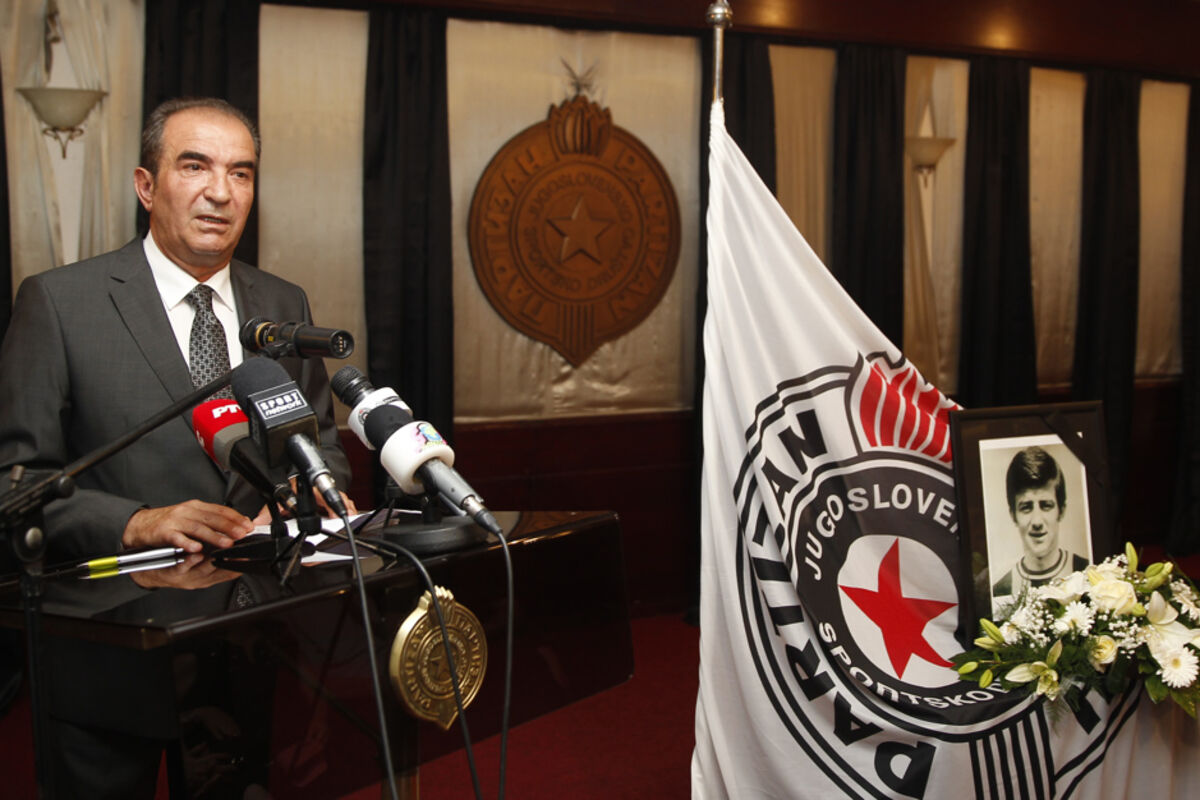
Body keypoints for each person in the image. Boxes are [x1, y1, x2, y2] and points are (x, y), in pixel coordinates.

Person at [0, 97, 353, 798]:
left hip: (251, 644)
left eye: (241, 173)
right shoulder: (60, 304)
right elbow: (15, 482)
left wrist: (311, 494)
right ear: (145, 185)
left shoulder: (283, 306)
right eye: (195, 167)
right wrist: (136, 522)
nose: (221, 192)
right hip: (109, 650)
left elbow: (324, 449)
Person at [991, 446, 1088, 604]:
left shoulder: (1088, 573)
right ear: (1013, 515)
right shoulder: (1000, 591)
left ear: (1061, 510)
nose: (1037, 521)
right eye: (1026, 507)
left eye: (1046, 505)